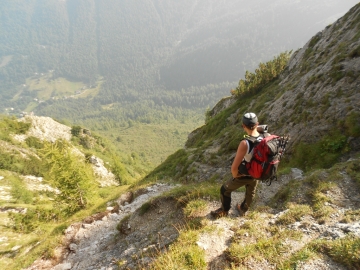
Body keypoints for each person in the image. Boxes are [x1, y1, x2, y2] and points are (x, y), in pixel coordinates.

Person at [210, 112, 262, 218]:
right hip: (259, 171)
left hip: (247, 173)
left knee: (224, 189)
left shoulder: (245, 143)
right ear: (257, 124)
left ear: (243, 126)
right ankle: (243, 209)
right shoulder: (265, 136)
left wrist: (235, 175)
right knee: (251, 191)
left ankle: (224, 211)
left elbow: (234, 167)